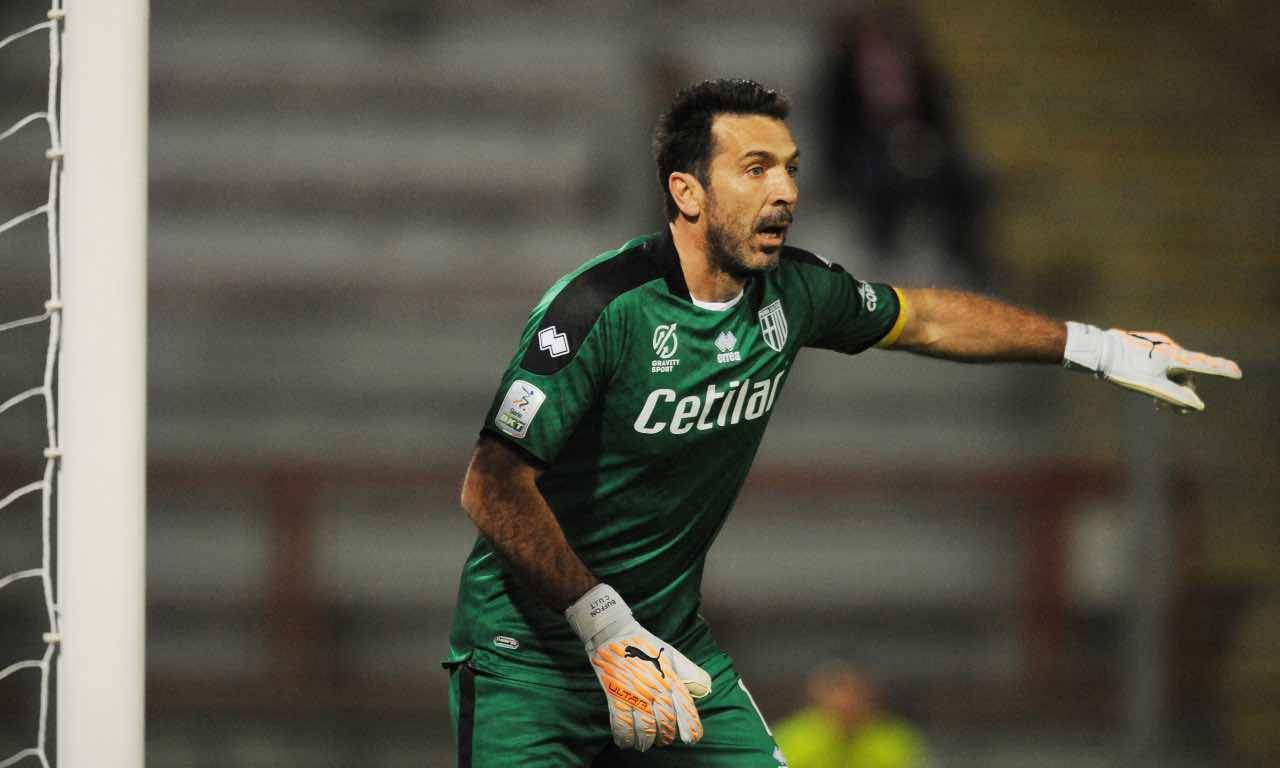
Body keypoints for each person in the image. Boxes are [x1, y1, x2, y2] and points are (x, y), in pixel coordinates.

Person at [442, 79, 1241, 767]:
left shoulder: (795, 295)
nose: (785, 190)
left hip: (669, 646)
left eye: (791, 168)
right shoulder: (598, 309)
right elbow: (492, 484)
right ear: (688, 192)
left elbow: (925, 317)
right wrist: (601, 623)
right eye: (754, 169)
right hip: (529, 658)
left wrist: (1096, 346)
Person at [819, 2, 992, 285]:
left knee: (966, 178)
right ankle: (885, 255)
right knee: (877, 173)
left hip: (920, 150)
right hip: (866, 155)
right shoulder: (842, 76)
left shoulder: (924, 74)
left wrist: (920, 141)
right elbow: (836, 136)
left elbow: (943, 125)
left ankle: (963, 255)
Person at [773, 662, 929, 768]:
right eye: (837, 688)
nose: (847, 699)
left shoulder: (898, 741)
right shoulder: (787, 740)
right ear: (816, 693)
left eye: (856, 690)